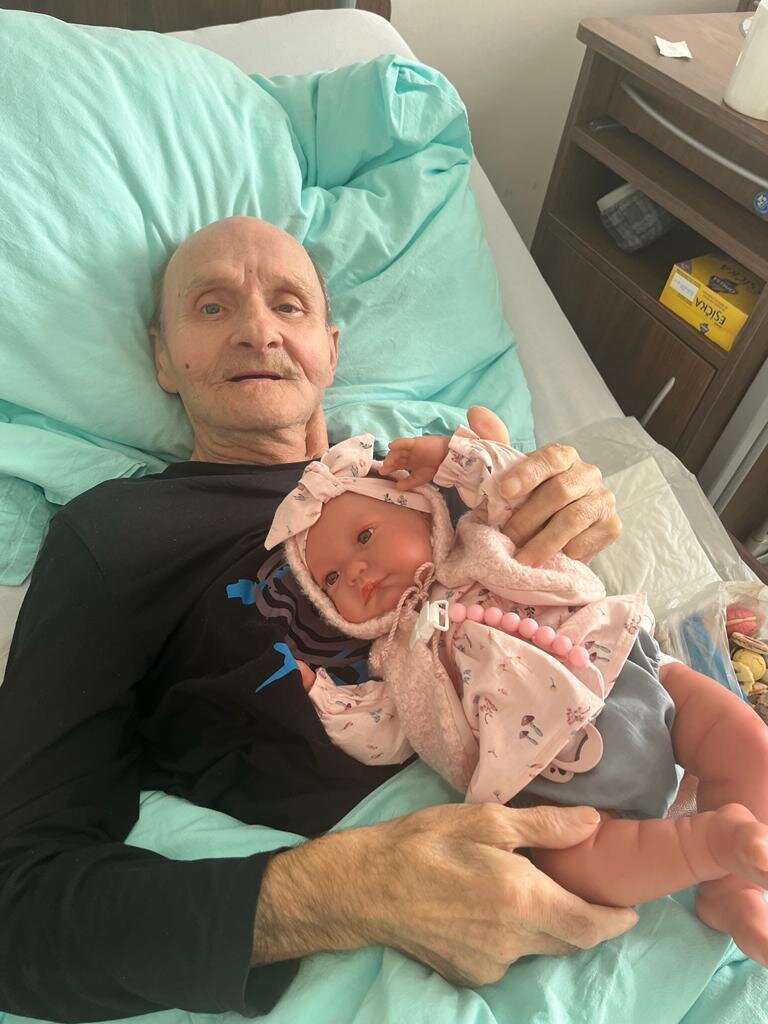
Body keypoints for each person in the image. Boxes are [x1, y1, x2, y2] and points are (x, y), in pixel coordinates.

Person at [0, 216, 636, 1020]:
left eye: (289, 305)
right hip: (420, 940)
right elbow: (18, 906)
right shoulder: (117, 533)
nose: (257, 330)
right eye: (211, 307)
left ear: (331, 350)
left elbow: (569, 592)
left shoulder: (427, 470)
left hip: (621, 784)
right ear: (163, 358)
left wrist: (558, 513)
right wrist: (352, 891)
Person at [264, 425, 768, 968]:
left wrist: (452, 457)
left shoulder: (483, 539)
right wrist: (322, 695)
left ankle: (735, 888)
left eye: (365, 536)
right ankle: (705, 849)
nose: (355, 570)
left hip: (626, 672)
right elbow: (383, 734)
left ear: (422, 511)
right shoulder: (394, 660)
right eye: (330, 578)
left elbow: (511, 487)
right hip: (547, 777)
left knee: (745, 740)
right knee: (577, 867)